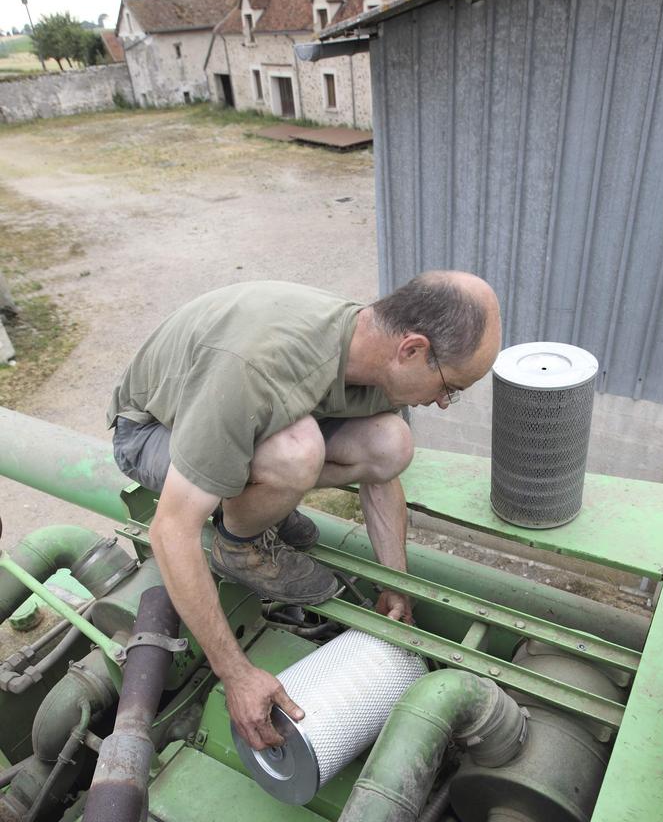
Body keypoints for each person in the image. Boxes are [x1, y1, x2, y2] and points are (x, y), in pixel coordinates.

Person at [107, 271, 501, 750]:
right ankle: (241, 543)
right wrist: (236, 674)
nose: (443, 402)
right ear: (412, 350)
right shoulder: (257, 369)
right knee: (297, 451)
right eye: (450, 387)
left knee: (391, 444)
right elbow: (170, 529)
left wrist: (394, 584)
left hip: (242, 415)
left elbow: (381, 480)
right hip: (154, 429)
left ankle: (261, 502)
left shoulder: (377, 351)